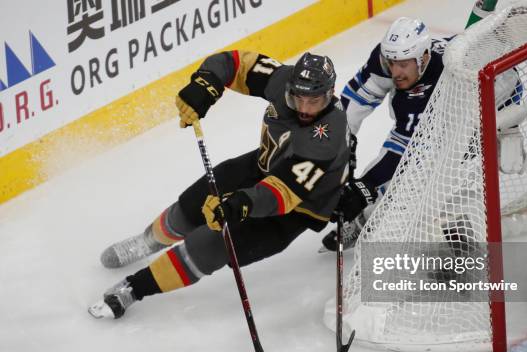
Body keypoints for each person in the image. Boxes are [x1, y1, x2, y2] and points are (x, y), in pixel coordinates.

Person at [89, 50, 349, 319]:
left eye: (314, 101)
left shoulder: (327, 136)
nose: (305, 108)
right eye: (299, 99)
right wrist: (206, 82)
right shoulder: (283, 81)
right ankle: (147, 242)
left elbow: (283, 193)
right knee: (194, 203)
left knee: (214, 244)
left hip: (297, 207)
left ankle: (134, 288)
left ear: (329, 95)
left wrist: (240, 204)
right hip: (264, 165)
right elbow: (235, 63)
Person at [321, 16, 526, 252]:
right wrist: (336, 143)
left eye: (403, 64)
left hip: (491, 104)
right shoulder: (388, 60)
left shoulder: (441, 82)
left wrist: (365, 187)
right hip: (466, 90)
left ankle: (463, 250)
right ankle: (366, 221)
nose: (395, 72)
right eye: (391, 63)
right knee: (405, 178)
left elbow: (405, 154)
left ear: (424, 57)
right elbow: (356, 99)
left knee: (445, 185)